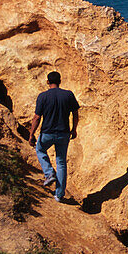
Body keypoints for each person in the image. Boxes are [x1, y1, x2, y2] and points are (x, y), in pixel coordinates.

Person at [28, 71, 80, 203]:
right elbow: (75, 113)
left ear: (47, 82)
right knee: (61, 162)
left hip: (47, 133)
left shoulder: (43, 96)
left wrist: (31, 134)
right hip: (64, 133)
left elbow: (37, 117)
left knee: (40, 150)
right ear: (60, 81)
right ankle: (59, 195)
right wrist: (74, 129)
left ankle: (49, 173)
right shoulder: (68, 95)